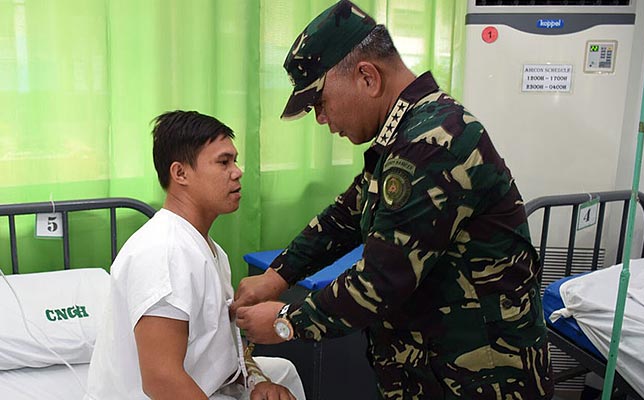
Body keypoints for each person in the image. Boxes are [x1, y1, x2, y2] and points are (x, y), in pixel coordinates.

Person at [233, 1, 554, 399]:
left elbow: (380, 280)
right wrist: (277, 275)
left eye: (320, 102)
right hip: (432, 368)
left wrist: (287, 321)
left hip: (481, 377)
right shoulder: (404, 135)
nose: (321, 118)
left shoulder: (434, 143)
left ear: (367, 77)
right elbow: (345, 216)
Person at [85, 110, 305, 400]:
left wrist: (256, 382)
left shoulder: (207, 248)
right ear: (180, 173)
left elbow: (218, 350)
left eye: (235, 161)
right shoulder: (163, 254)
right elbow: (162, 380)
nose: (237, 171)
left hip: (204, 386)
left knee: (282, 373)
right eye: (223, 162)